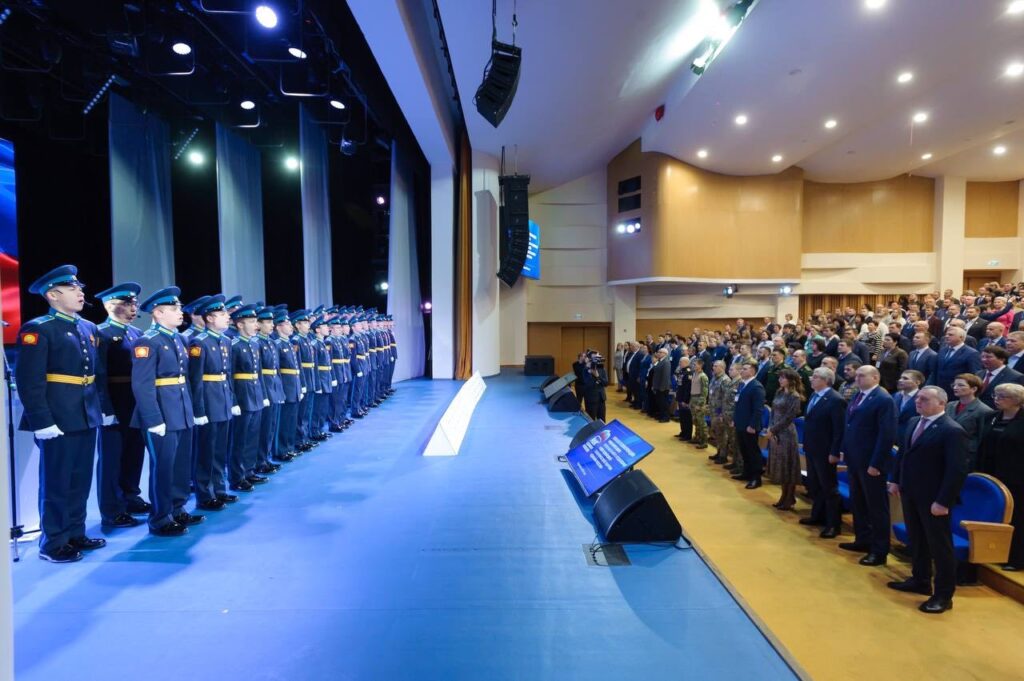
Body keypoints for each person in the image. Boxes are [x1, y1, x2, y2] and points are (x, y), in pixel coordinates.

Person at [16, 265, 109, 562]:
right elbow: (30, 380)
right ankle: (53, 541)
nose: (80, 292)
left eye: (79, 288)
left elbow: (96, 375)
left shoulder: (89, 327)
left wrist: (101, 409)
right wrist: (41, 420)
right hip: (57, 417)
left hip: (85, 414)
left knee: (80, 480)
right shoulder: (39, 328)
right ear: (53, 295)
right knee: (57, 482)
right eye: (71, 289)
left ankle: (75, 532)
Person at [887, 386, 968, 614]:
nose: (918, 402)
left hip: (934, 498)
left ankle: (943, 595)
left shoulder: (952, 430)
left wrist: (943, 501)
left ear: (941, 403)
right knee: (917, 539)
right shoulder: (914, 422)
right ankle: (920, 580)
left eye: (924, 399)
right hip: (910, 491)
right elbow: (903, 454)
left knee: (940, 547)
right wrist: (895, 480)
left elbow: (956, 470)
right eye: (918, 398)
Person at [131, 286, 203, 536]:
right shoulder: (147, 341)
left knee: (181, 465)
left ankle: (178, 508)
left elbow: (185, 379)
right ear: (158, 313)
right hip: (161, 412)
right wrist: (153, 418)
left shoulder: (180, 339)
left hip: (181, 410)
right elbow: (142, 384)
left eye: (179, 307)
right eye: (174, 308)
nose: (180, 312)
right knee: (163, 467)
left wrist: (191, 410)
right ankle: (160, 518)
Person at [94, 282, 147, 529]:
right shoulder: (102, 333)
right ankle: (112, 509)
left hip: (135, 400)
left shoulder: (136, 333)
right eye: (127, 304)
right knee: (112, 457)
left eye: (134, 304)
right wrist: (105, 408)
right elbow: (99, 374)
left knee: (134, 452)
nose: (133, 308)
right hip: (115, 400)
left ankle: (131, 496)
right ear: (110, 306)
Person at [838, 366, 896, 566]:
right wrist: (844, 449)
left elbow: (886, 434)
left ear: (875, 377)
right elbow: (849, 425)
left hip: (871, 461)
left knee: (876, 507)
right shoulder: (859, 395)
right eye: (857, 375)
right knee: (859, 502)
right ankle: (862, 539)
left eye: (862, 375)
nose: (857, 378)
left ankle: (879, 550)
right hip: (855, 458)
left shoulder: (883, 399)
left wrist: (876, 462)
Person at [186, 295, 235, 511]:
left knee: (220, 450)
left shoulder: (225, 341)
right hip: (207, 400)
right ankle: (205, 494)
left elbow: (228, 374)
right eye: (222, 314)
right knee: (206, 451)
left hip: (222, 399)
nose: (227, 317)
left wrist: (232, 400)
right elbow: (195, 379)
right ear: (210, 318)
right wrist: (199, 410)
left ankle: (220, 489)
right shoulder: (199, 342)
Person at [976, 383, 1024, 571]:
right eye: (996, 395)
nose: (997, 399)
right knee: (992, 515)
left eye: (1002, 396)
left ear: (1017, 400)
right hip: (992, 475)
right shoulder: (991, 417)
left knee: (1017, 517)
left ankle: (1016, 558)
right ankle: (992, 552)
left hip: (1017, 478)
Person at [229, 304, 269, 492]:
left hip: (255, 393)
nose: (256, 325)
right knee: (240, 439)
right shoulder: (234, 346)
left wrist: (264, 395)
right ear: (240, 324)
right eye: (252, 321)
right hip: (242, 394)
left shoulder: (254, 344)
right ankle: (237, 476)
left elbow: (258, 372)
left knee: (253, 435)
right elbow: (229, 376)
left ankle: (249, 470)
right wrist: (233, 401)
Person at [801, 368, 845, 537]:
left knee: (829, 488)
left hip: (825, 450)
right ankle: (817, 515)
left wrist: (835, 451)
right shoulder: (814, 395)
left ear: (826, 380)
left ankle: (833, 524)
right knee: (815, 485)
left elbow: (839, 429)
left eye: (816, 377)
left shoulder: (836, 400)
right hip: (812, 447)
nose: (811, 379)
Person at [766, 368, 805, 510]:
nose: (780, 380)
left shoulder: (794, 396)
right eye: (780, 377)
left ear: (791, 380)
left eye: (783, 378)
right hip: (775, 430)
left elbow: (789, 417)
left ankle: (789, 497)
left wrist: (774, 429)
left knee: (788, 465)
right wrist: (770, 428)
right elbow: (772, 411)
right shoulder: (779, 392)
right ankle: (783, 495)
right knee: (780, 466)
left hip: (786, 433)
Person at [255, 306, 284, 475]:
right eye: (267, 322)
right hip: (264, 386)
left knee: (271, 425)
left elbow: (276, 368)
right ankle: (260, 461)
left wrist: (279, 388)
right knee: (264, 427)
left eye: (272, 322)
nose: (272, 325)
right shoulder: (257, 343)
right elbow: (258, 371)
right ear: (258, 324)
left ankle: (266, 458)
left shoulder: (271, 342)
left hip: (274, 384)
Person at [945, 373, 993, 471]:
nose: (955, 387)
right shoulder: (950, 405)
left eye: (961, 385)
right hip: (946, 450)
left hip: (966, 455)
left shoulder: (984, 410)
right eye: (954, 385)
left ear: (974, 389)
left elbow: (981, 439)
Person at [733, 361, 766, 489]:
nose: (741, 371)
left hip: (749, 426)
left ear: (752, 371)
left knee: (753, 452)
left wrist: (752, 425)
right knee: (744, 450)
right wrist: (735, 419)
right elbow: (738, 404)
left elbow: (758, 409)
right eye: (742, 368)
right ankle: (746, 473)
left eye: (745, 369)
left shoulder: (756, 387)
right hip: (741, 423)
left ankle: (756, 478)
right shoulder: (743, 384)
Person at [929, 326, 982, 398]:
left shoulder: (972, 353)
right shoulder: (943, 350)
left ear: (961, 338)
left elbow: (974, 375)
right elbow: (935, 371)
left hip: (957, 392)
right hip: (940, 390)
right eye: (946, 334)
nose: (946, 336)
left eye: (950, 335)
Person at [976, 345, 1024, 409]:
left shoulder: (1015, 377)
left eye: (989, 357)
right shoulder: (979, 374)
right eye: (982, 356)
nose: (984, 359)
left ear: (1002, 359)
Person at [708, 360, 732, 463]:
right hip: (713, 410)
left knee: (722, 434)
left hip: (720, 412)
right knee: (717, 433)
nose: (713, 368)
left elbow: (726, 398)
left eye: (716, 366)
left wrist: (722, 413)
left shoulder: (725, 380)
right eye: (713, 366)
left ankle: (723, 455)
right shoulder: (714, 377)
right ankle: (718, 452)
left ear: (722, 368)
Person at [893, 369, 924, 444]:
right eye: (901, 378)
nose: (900, 380)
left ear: (917, 382)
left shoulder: (922, 398)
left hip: (910, 439)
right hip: (892, 437)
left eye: (905, 378)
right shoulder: (896, 395)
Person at [581, 353, 609, 421]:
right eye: (595, 358)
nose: (597, 360)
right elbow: (589, 384)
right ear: (589, 359)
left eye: (598, 357)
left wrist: (597, 376)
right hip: (591, 399)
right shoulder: (586, 370)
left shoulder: (602, 368)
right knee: (591, 420)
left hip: (601, 398)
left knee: (602, 420)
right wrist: (591, 372)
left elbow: (606, 383)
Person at [690, 357, 710, 448]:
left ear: (700, 365)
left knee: (701, 422)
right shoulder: (694, 374)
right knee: (695, 420)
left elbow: (704, 392)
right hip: (693, 398)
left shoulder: (703, 376)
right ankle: (697, 437)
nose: (693, 365)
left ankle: (704, 441)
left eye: (695, 364)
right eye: (693, 364)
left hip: (699, 399)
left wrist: (700, 404)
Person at [648, 348, 671, 422]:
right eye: (659, 352)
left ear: (665, 354)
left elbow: (665, 376)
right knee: (660, 402)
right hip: (658, 385)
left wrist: (662, 387)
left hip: (663, 387)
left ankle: (666, 417)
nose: (659, 353)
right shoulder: (660, 361)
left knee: (663, 403)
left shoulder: (666, 362)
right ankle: (661, 415)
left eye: (660, 352)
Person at [674, 356, 693, 441]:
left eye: (680, 362)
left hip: (685, 399)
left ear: (686, 362)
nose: (679, 363)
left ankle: (687, 435)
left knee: (686, 417)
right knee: (682, 416)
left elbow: (688, 388)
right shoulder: (682, 371)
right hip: (680, 396)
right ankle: (683, 432)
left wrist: (685, 400)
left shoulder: (688, 372)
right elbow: (680, 385)